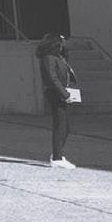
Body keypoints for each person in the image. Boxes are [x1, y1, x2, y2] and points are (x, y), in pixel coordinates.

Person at [35, 33, 78, 169]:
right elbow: (52, 78)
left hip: (61, 92)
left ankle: (58, 154)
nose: (63, 45)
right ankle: (57, 157)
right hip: (56, 94)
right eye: (61, 43)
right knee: (60, 125)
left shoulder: (58, 57)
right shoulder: (48, 58)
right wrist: (65, 94)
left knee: (65, 126)